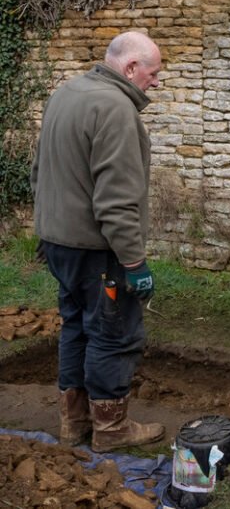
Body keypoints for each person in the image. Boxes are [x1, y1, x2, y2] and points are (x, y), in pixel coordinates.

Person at [30, 31, 165, 452]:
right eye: (153, 73)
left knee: (76, 327)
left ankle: (74, 425)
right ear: (130, 68)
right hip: (96, 251)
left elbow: (40, 171)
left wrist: (46, 229)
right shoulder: (115, 109)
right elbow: (116, 202)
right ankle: (110, 430)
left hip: (59, 244)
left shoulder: (66, 93)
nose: (156, 82)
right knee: (113, 332)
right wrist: (135, 263)